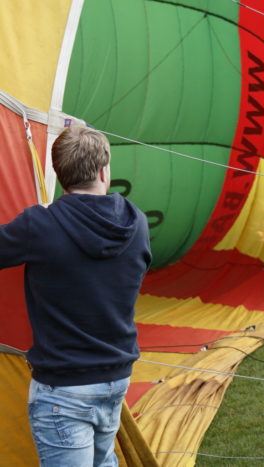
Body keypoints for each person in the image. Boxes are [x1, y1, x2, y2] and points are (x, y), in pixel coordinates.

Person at [0, 126, 152, 466]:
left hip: (64, 389)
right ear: (103, 171)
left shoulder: (39, 226)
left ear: (59, 173)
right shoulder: (137, 222)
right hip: (115, 379)